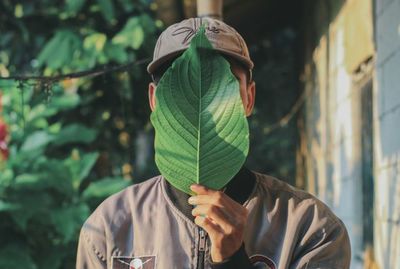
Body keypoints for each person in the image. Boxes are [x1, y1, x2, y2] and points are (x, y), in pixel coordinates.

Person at [76, 17, 351, 269]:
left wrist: (233, 261)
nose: (201, 105)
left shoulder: (310, 228)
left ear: (248, 99)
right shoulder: (109, 229)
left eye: (223, 85)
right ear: (154, 101)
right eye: (180, 87)